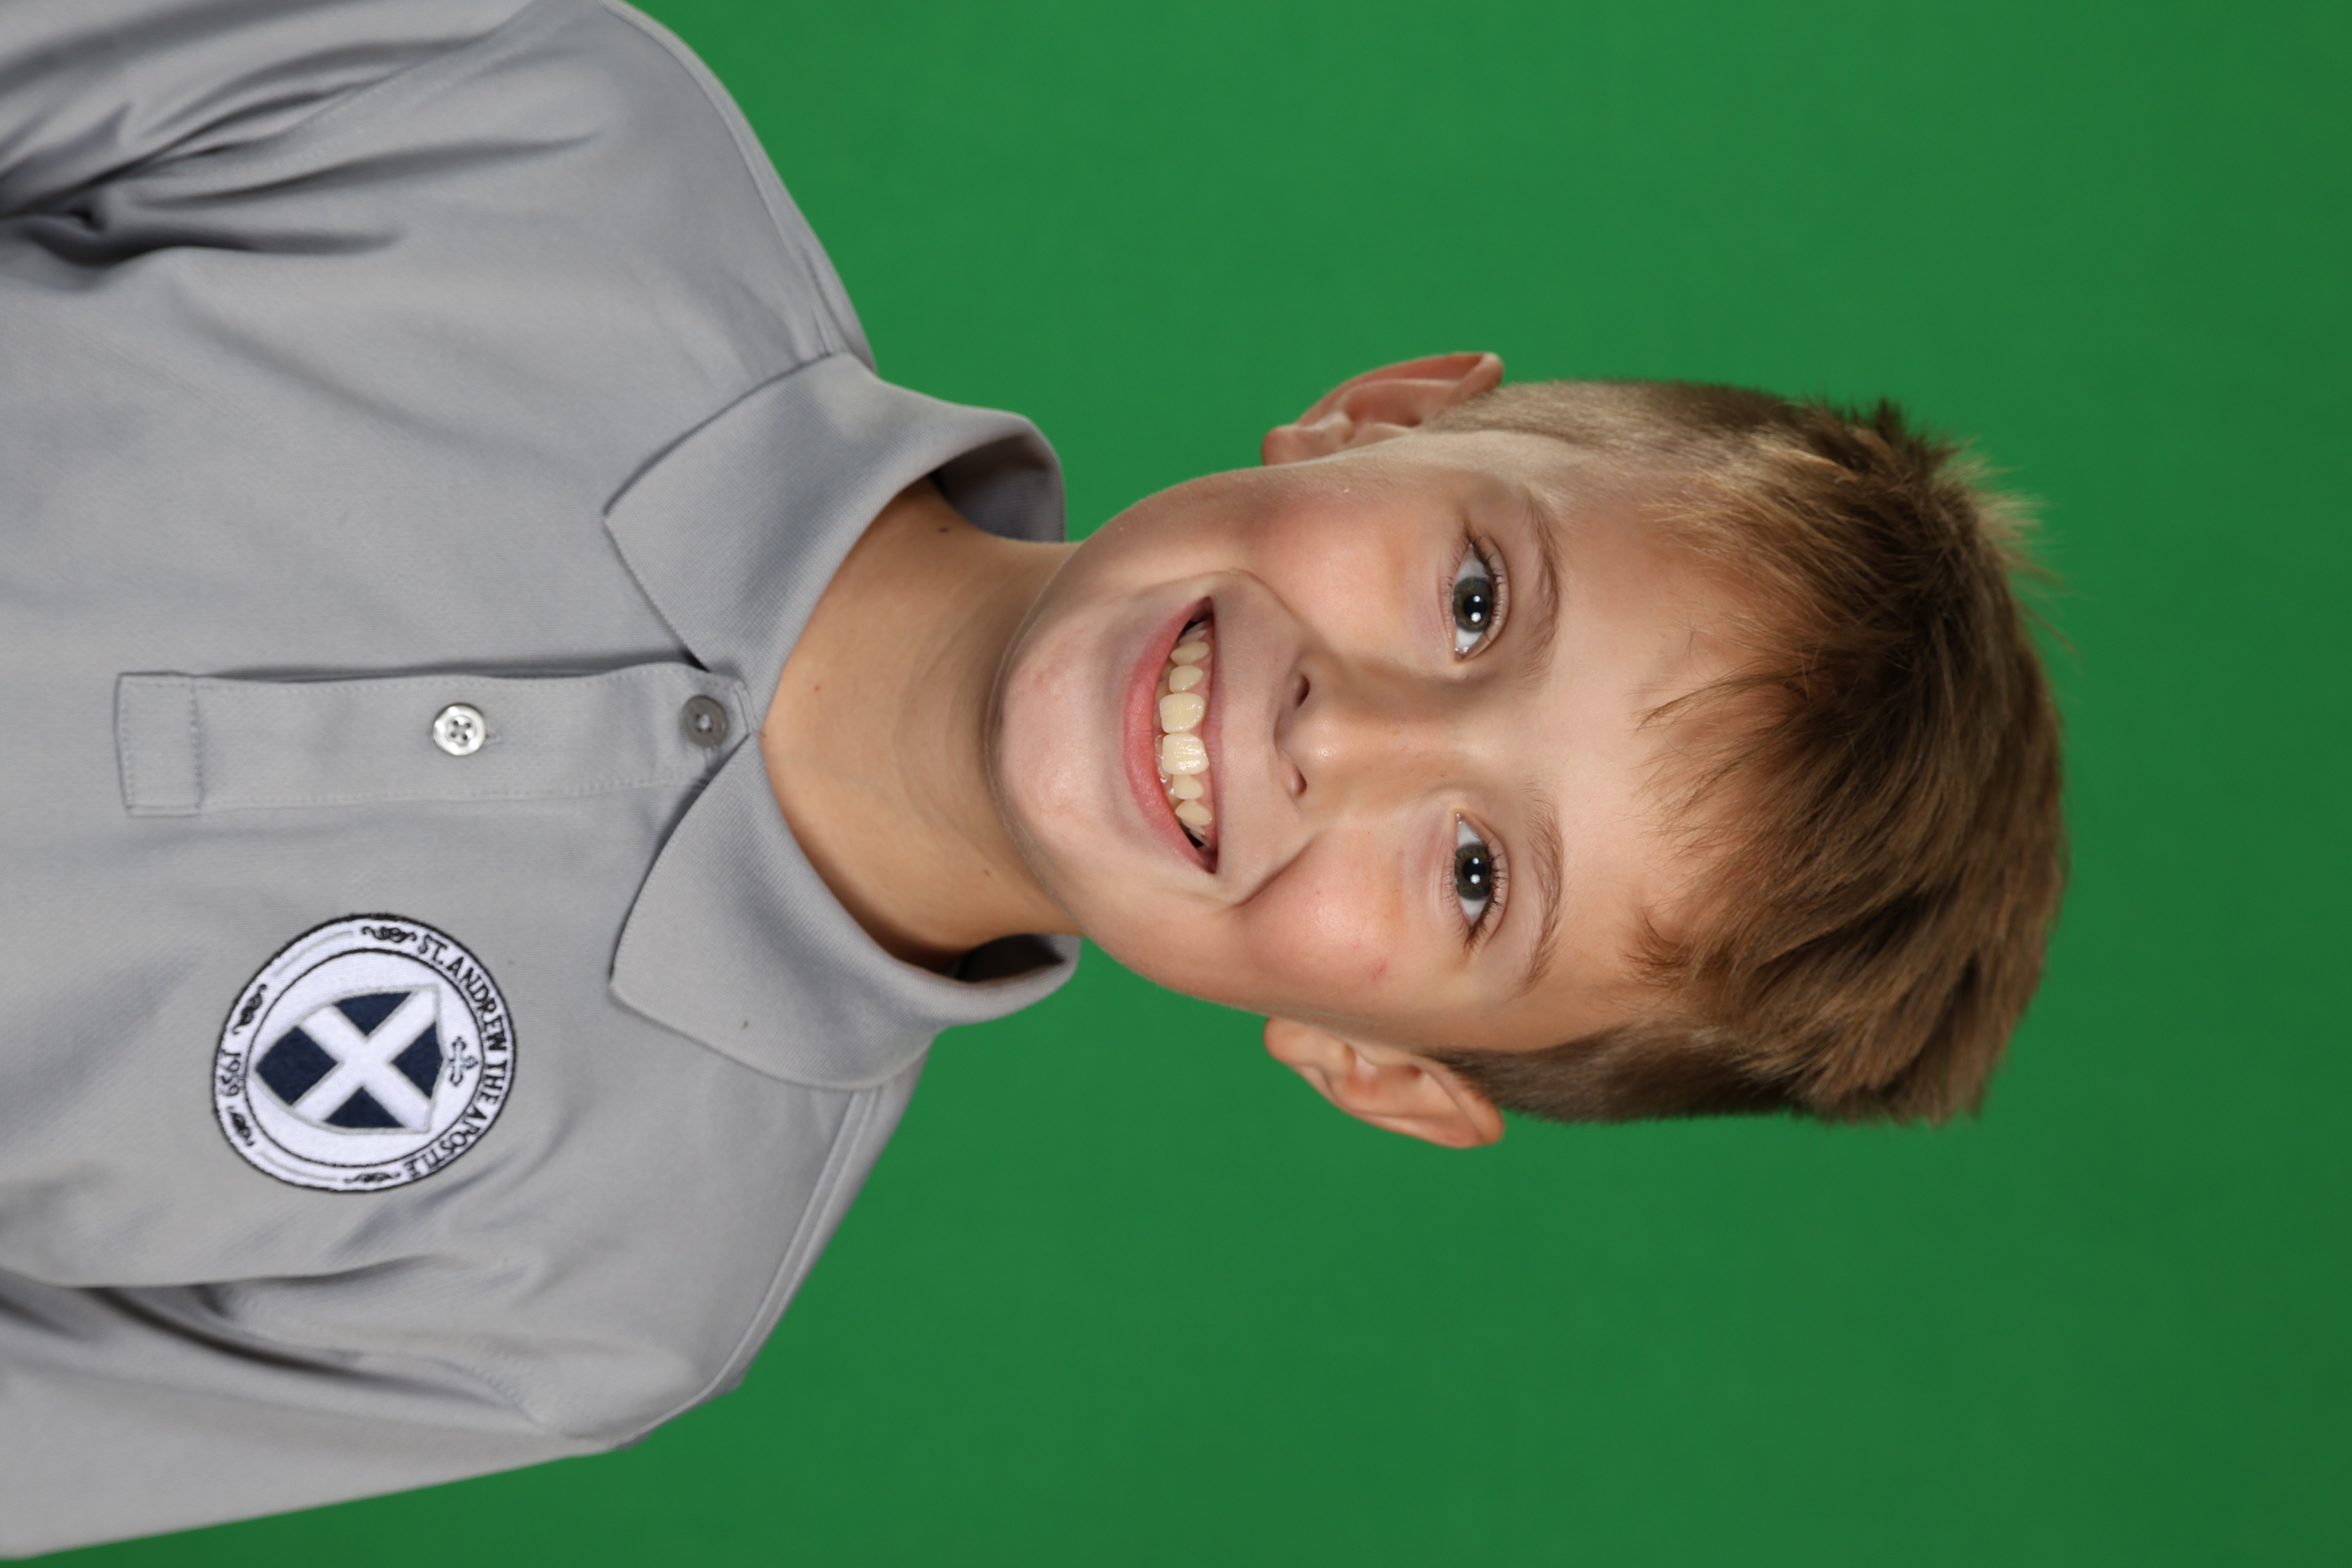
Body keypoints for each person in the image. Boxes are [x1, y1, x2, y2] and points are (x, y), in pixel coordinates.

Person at [0, 0, 2064, 1555]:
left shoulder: (589, 1311)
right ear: (1385, 417)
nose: (1341, 731)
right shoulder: (545, 133)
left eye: (1472, 879)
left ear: (1379, 1068)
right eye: (1472, 600)